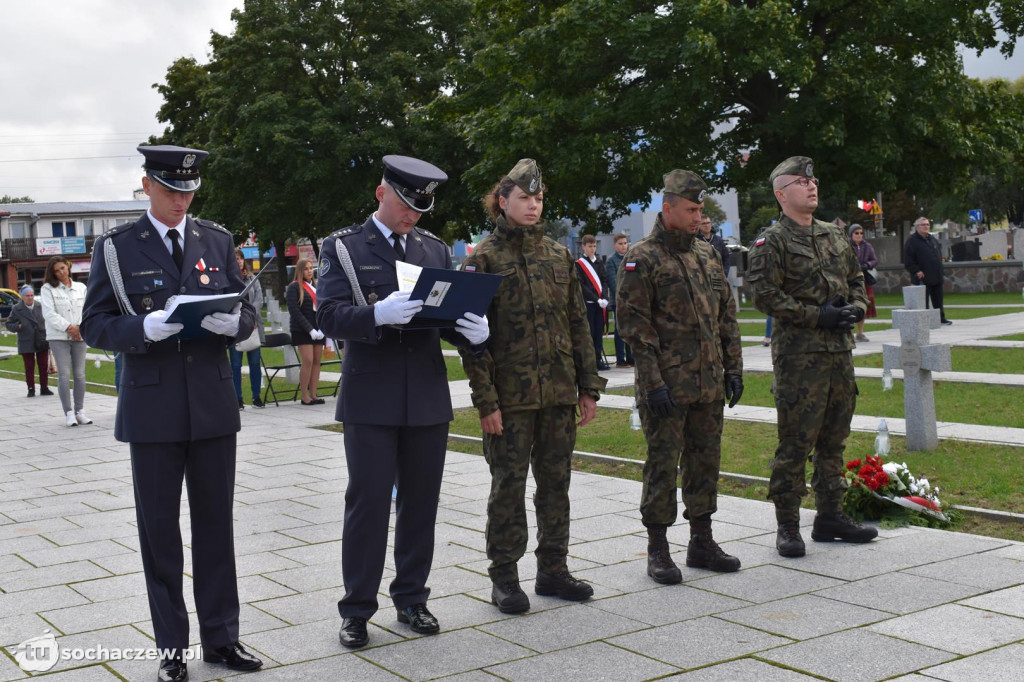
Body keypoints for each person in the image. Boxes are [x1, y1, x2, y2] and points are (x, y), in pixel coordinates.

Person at [81, 145, 263, 682]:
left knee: (216, 530)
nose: (181, 199)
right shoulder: (116, 248)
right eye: (171, 189)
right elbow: (95, 324)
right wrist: (141, 330)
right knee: (159, 534)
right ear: (147, 186)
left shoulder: (217, 239)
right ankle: (170, 649)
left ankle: (222, 639)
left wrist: (237, 325)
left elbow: (244, 306)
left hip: (210, 402)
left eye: (188, 190)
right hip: (154, 406)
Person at [315, 155, 490, 649]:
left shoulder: (433, 250)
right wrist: (376, 314)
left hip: (426, 394)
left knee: (421, 505)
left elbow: (447, 316)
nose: (413, 215)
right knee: (367, 505)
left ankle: (412, 598)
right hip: (371, 393)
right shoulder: (344, 247)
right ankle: (356, 609)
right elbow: (328, 314)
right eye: (406, 203)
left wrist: (473, 333)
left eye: (421, 207)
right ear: (381, 193)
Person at [458, 159, 607, 614]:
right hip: (511, 399)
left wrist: (588, 386)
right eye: (525, 198)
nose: (533, 205)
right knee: (508, 486)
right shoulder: (482, 259)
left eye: (539, 199)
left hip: (559, 393)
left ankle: (553, 570)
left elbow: (578, 324)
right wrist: (486, 402)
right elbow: (471, 341)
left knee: (556, 485)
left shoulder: (560, 256)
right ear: (503, 203)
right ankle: (504, 577)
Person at [746, 155, 878, 558]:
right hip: (800, 360)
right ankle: (788, 524)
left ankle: (830, 516)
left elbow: (857, 279)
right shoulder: (773, 242)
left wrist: (855, 307)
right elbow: (764, 296)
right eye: (803, 182)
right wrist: (816, 315)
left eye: (814, 180)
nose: (812, 186)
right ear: (782, 194)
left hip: (839, 354)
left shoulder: (834, 235)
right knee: (795, 444)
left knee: (834, 440)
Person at [616, 170, 744, 583]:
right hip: (666, 387)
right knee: (662, 465)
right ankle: (658, 548)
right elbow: (635, 327)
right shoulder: (642, 256)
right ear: (667, 208)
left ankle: (701, 541)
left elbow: (726, 315)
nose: (696, 217)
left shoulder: (706, 254)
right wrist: (652, 383)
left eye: (699, 210)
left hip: (707, 382)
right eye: (690, 210)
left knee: (705, 463)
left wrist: (734, 368)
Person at [39, 255, 90, 427]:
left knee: (80, 374)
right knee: (64, 375)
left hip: (80, 336)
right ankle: (68, 412)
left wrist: (79, 328)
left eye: (63, 268)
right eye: (57, 271)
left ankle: (80, 411)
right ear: (52, 273)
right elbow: (49, 314)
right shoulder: (47, 289)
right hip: (59, 336)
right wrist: (69, 327)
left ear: (68, 267)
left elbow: (89, 309)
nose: (61, 272)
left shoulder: (81, 287)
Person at [286, 258, 326, 405]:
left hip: (318, 330)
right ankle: (304, 396)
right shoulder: (294, 287)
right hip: (302, 330)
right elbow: (294, 311)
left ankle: (314, 394)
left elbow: (322, 308)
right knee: (308, 360)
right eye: (306, 268)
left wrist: (322, 327)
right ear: (300, 271)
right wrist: (310, 330)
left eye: (311, 268)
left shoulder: (317, 287)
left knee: (316, 361)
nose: (309, 271)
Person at [229, 248, 265, 408]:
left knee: (255, 364)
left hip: (253, 326)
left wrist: (251, 317)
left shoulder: (252, 278)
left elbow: (258, 299)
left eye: (241, 258)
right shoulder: (228, 279)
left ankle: (257, 397)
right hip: (235, 327)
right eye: (236, 258)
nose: (239, 261)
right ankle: (238, 399)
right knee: (235, 365)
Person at [6, 285, 52, 398]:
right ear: (22, 297)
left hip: (41, 339)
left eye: (32, 295)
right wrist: (19, 326)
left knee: (43, 365)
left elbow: (49, 319)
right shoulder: (16, 309)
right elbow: (9, 324)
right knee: (29, 366)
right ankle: (31, 388)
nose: (30, 298)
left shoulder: (40, 306)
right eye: (27, 296)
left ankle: (44, 387)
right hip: (26, 340)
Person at [904, 216, 951, 325]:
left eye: (927, 224)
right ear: (917, 227)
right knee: (923, 302)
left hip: (936, 275)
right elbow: (908, 261)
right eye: (923, 225)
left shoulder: (931, 239)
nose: (926, 227)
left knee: (938, 300)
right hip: (923, 277)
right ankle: (924, 323)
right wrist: (916, 271)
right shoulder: (912, 241)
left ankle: (941, 319)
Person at [575, 234, 610, 370]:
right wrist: (596, 299)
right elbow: (582, 285)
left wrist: (605, 298)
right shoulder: (579, 264)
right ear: (583, 246)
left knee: (599, 331)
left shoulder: (599, 262)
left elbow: (604, 281)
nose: (592, 249)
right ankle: (590, 361)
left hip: (601, 304)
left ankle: (598, 359)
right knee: (591, 332)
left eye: (594, 246)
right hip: (589, 303)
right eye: (589, 246)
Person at [605, 232, 634, 367]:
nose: (623, 246)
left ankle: (630, 358)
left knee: (630, 330)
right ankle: (620, 360)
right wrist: (624, 297)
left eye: (625, 243)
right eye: (620, 244)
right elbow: (613, 282)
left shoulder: (631, 258)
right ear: (614, 245)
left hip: (632, 300)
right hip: (619, 301)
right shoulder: (611, 260)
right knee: (619, 331)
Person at [849, 224, 878, 342]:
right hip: (850, 280)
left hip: (865, 279)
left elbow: (874, 260)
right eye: (856, 233)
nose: (859, 235)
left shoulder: (867, 246)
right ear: (851, 234)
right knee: (850, 306)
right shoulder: (846, 245)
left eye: (861, 233)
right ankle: (850, 333)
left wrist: (868, 265)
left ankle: (860, 333)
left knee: (864, 306)